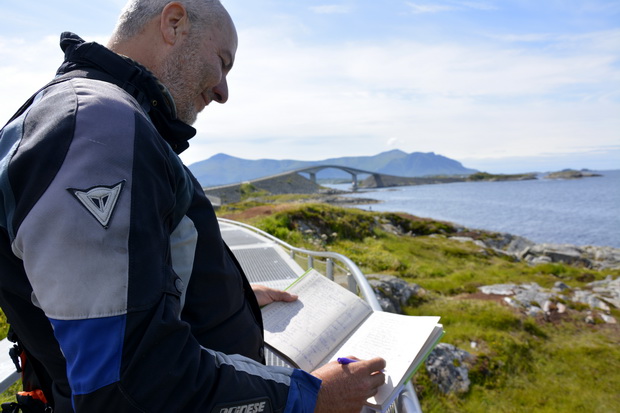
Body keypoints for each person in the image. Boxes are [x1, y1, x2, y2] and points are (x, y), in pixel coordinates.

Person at [0, 0, 386, 412]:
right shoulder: (99, 126)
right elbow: (130, 384)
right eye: (222, 62)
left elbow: (110, 290)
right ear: (174, 22)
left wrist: (226, 297)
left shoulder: (110, 120)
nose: (223, 91)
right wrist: (311, 397)